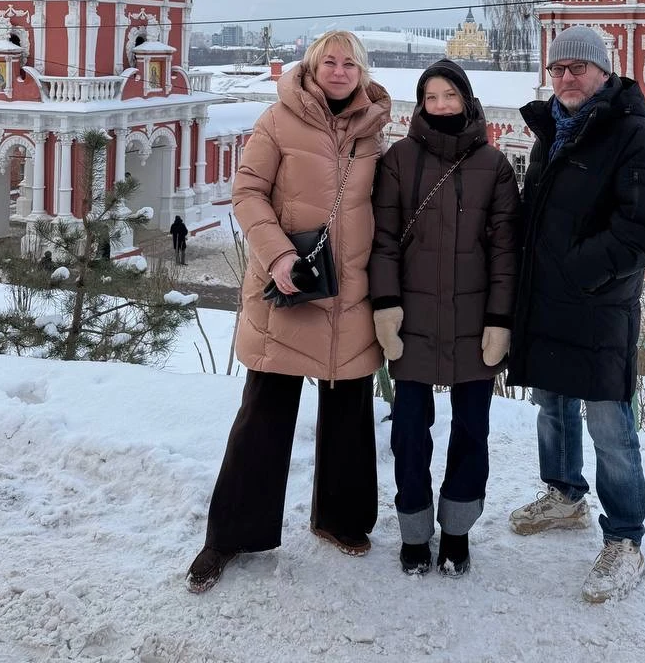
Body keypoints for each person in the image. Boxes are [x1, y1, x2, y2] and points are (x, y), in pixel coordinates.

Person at [185, 31, 391, 593]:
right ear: (312, 66)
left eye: (351, 63)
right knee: (265, 415)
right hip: (290, 287)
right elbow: (246, 191)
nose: (340, 71)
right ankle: (229, 535)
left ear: (363, 72)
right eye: (330, 61)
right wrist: (278, 256)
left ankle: (341, 520)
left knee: (349, 411)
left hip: (350, 293)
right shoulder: (277, 121)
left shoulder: (375, 130)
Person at [506, 25, 645, 604]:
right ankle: (564, 495)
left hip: (598, 305)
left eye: (578, 67)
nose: (567, 77)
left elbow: (644, 230)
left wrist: (578, 271)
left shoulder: (633, 136)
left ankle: (625, 538)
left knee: (609, 423)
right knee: (552, 406)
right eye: (557, 69)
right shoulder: (549, 131)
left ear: (603, 72)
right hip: (545, 300)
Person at [370, 59, 520, 578]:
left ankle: (457, 530)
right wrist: (385, 306)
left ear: (466, 99)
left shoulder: (494, 167)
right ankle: (415, 532)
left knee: (471, 430)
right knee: (410, 430)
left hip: (475, 319)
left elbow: (505, 251)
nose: (440, 106)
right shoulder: (398, 161)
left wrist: (501, 317)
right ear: (421, 104)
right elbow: (383, 242)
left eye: (449, 96)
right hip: (411, 318)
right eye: (430, 97)